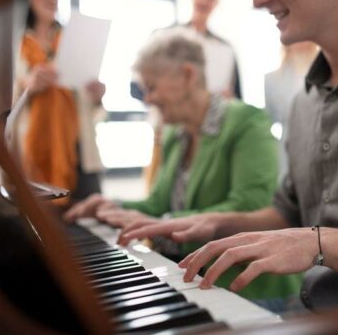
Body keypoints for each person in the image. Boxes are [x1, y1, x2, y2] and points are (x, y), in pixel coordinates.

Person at [104, 0, 338, 333]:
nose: (257, 0)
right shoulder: (303, 102)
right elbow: (288, 212)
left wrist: (321, 243)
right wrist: (212, 222)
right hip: (306, 316)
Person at [65, 28, 301, 311]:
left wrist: (163, 223)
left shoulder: (248, 122)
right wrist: (112, 206)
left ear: (188, 75)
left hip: (248, 289)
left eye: (151, 87)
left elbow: (251, 205)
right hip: (194, 280)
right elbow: (157, 203)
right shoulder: (176, 133)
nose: (147, 99)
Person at [141, 0, 242, 191]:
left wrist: (227, 99)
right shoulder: (164, 38)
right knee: (160, 194)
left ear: (217, 2)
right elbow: (140, 86)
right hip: (164, 134)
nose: (204, 0)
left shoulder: (225, 48)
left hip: (210, 138)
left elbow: (238, 96)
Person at [14, 0, 105, 206]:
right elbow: (0, 107)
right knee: (44, 228)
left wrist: (97, 95)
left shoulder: (74, 40)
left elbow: (89, 107)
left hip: (79, 152)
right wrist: (28, 87)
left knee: (90, 217)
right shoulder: (15, 44)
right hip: (34, 153)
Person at [264, 42, 318, 179]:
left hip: (318, 148)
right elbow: (267, 121)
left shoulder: (325, 75)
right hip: (286, 153)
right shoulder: (271, 80)